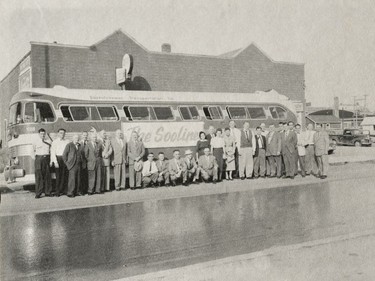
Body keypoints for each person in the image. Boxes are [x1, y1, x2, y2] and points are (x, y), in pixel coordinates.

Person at [32, 128, 52, 198]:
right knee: (38, 177)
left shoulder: (49, 141)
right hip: (38, 159)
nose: (42, 135)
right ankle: (38, 193)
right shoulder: (35, 142)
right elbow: (33, 151)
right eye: (41, 134)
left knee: (47, 176)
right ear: (39, 134)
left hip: (46, 158)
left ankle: (48, 192)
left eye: (43, 134)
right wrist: (36, 159)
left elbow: (50, 151)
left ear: (45, 134)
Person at [50, 128, 69, 196]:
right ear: (58, 134)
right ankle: (57, 192)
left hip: (65, 159)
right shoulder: (55, 142)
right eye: (61, 133)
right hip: (58, 158)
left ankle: (64, 190)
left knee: (65, 175)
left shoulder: (67, 141)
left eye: (63, 133)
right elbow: (52, 152)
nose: (62, 134)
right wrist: (55, 162)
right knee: (58, 176)